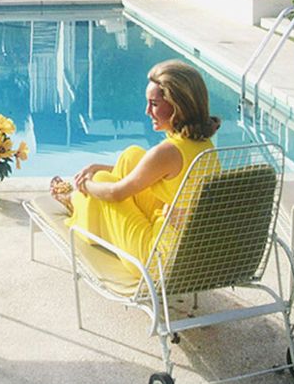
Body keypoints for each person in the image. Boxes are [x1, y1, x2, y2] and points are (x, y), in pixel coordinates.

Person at [50, 59, 221, 273]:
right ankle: (83, 205)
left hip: (156, 258)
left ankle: (77, 202)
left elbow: (114, 193)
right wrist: (99, 166)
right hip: (188, 247)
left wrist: (86, 184)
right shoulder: (202, 144)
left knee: (104, 182)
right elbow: (148, 171)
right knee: (132, 156)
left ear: (178, 106)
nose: (147, 111)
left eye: (155, 104)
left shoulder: (168, 152)